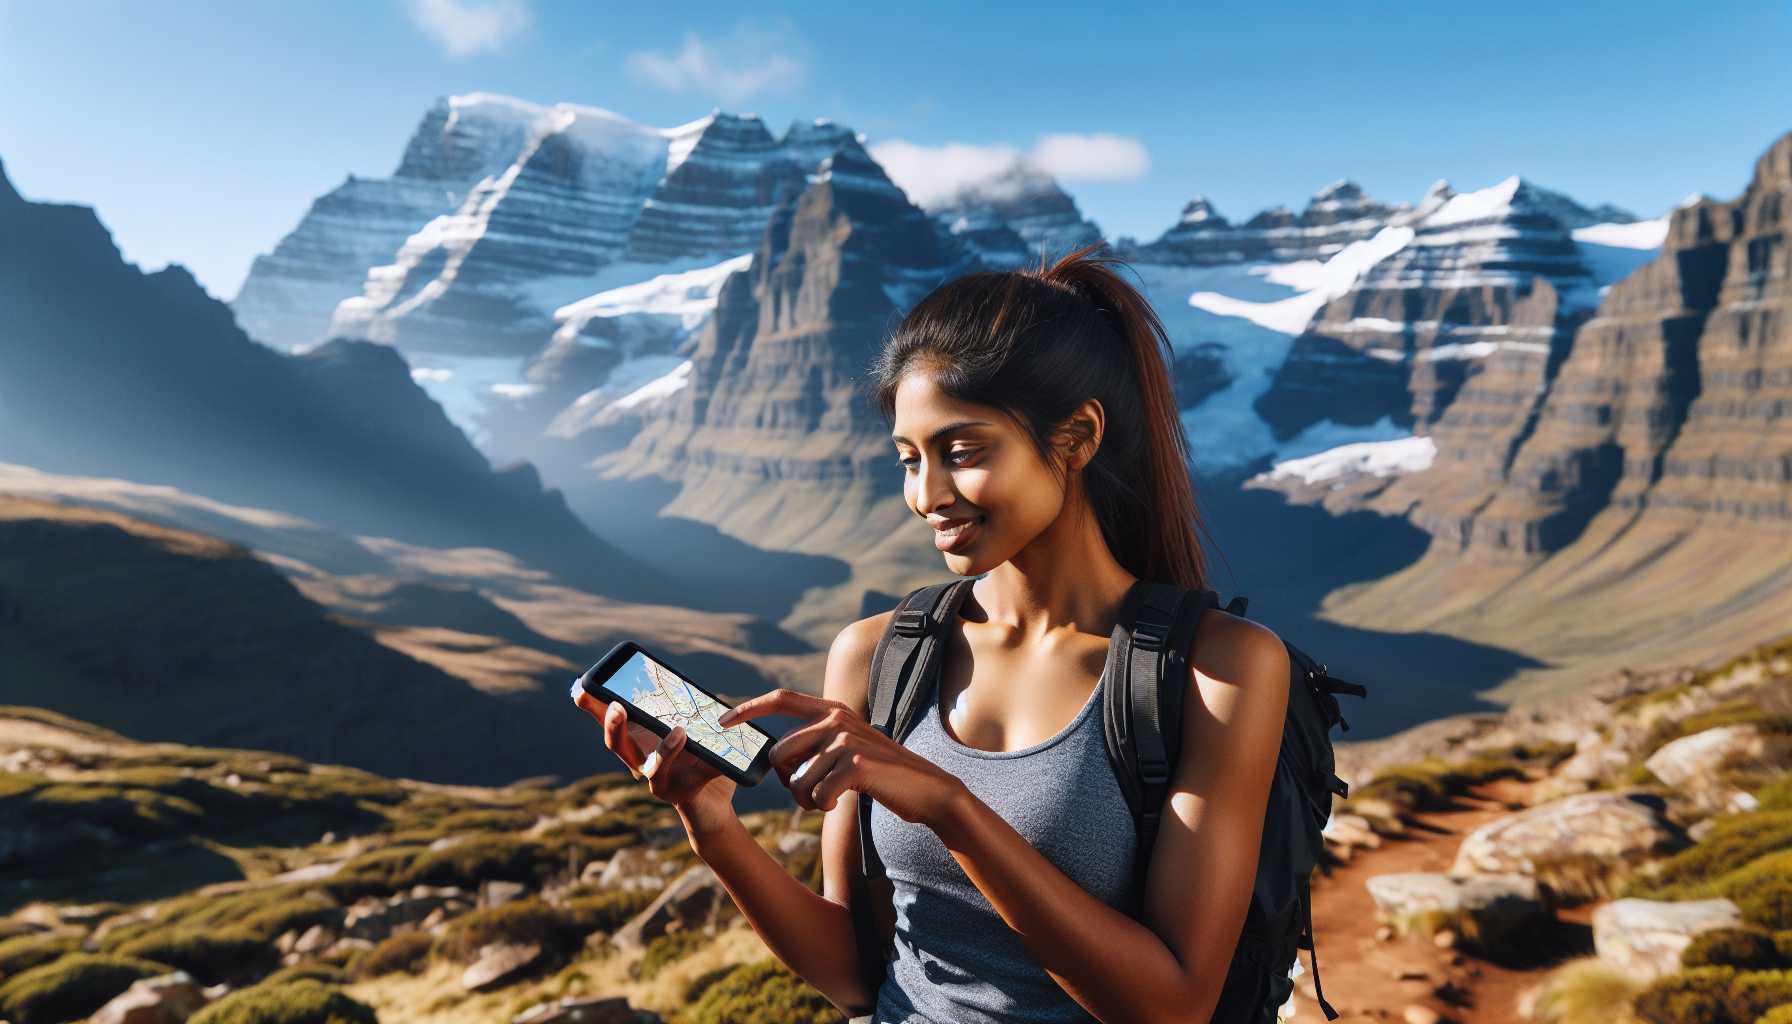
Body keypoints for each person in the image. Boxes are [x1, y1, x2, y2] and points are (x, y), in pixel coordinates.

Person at [578, 241, 1291, 1024]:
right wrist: (712, 825)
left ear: (1079, 436)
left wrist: (951, 809)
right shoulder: (878, 655)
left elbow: (1172, 1008)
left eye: (961, 452)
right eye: (908, 459)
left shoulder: (1218, 671)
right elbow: (855, 972)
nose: (927, 495)